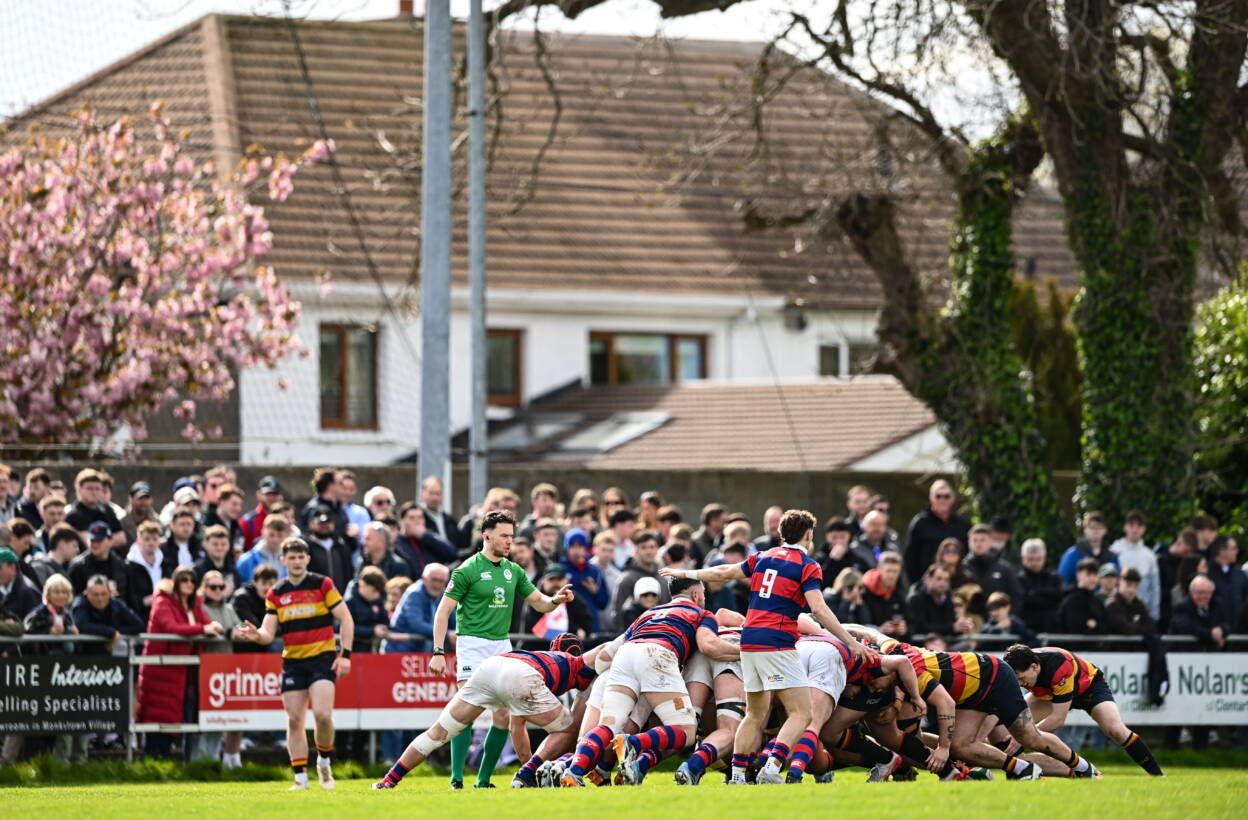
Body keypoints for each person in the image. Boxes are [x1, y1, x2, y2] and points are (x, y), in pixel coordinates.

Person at [662, 509, 870, 785]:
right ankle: (771, 769)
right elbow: (818, 608)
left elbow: (723, 572)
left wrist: (685, 572)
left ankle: (737, 776)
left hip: (749, 642)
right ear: (808, 535)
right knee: (802, 713)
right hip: (777, 642)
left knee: (755, 713)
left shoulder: (763, 557)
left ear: (782, 534)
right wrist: (851, 641)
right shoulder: (807, 565)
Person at [426, 510, 576, 789]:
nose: (510, 541)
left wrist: (556, 599)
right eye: (504, 535)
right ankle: (456, 779)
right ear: (487, 536)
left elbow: (539, 602)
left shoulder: (513, 571)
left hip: (501, 646)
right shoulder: (467, 569)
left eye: (511, 535)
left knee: (503, 716)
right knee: (466, 712)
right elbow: (443, 611)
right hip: (471, 645)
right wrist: (438, 651)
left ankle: (483, 780)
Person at [561, 578, 738, 787]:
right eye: (704, 596)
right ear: (696, 595)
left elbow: (608, 652)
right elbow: (708, 645)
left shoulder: (648, 613)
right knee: (686, 732)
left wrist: (581, 670)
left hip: (625, 655)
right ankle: (633, 743)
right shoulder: (702, 614)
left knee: (609, 724)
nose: (704, 600)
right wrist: (745, 651)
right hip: (658, 653)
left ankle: (574, 772)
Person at [375, 640, 606, 790]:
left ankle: (389, 780)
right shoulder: (578, 664)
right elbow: (519, 729)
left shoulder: (543, 655)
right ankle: (527, 773)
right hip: (520, 676)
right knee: (567, 728)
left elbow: (518, 728)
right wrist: (529, 769)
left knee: (438, 733)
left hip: (491, 667)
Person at [236, 538, 355, 790]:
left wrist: (345, 655)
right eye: (292, 557)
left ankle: (323, 760)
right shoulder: (276, 593)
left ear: (307, 559)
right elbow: (268, 633)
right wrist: (256, 635)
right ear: (283, 561)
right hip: (293, 662)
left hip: (322, 658)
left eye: (301, 557)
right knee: (294, 720)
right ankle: (300, 778)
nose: (297, 561)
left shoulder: (322, 584)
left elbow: (346, 618)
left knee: (323, 716)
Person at [1004, 644, 1163, 775]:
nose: (1019, 683)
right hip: (1049, 693)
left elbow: (1058, 719)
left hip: (1089, 689)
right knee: (1010, 728)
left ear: (1034, 667)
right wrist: (1020, 733)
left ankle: (1158, 775)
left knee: (1115, 729)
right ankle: (1071, 771)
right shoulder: (1023, 665)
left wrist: (1025, 736)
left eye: (1021, 678)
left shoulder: (1058, 665)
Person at [137, 566, 225, 759]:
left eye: (192, 580)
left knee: (181, 715)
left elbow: (206, 623)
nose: (189, 583)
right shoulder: (162, 601)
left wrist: (214, 626)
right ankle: (154, 761)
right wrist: (204, 628)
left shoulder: (194, 604)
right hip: (162, 669)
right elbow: (172, 627)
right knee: (158, 717)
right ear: (176, 582)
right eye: (184, 579)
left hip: (185, 670)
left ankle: (179, 761)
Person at [196, 570, 246, 766]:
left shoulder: (228, 608)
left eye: (221, 587)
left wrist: (236, 631)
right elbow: (207, 628)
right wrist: (227, 632)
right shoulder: (199, 607)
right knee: (208, 717)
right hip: (205, 669)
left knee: (222, 717)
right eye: (213, 587)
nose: (217, 590)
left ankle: (217, 760)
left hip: (225, 670)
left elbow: (240, 628)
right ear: (204, 588)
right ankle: (203, 760)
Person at [903, 480, 971, 578]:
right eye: (938, 496)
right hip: (927, 585)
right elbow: (910, 558)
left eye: (946, 496)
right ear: (931, 498)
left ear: (953, 498)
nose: (942, 500)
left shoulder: (963, 524)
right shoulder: (920, 523)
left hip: (957, 582)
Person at [70, 574, 144, 655]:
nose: (100, 598)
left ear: (110, 593)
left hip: (110, 655)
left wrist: (116, 632)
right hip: (84, 654)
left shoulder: (116, 604)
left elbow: (139, 625)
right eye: (95, 594)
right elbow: (82, 625)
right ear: (87, 594)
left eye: (103, 594)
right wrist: (111, 632)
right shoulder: (80, 603)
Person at [388, 563, 453, 653]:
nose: (437, 585)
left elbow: (454, 621)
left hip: (422, 655)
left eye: (441, 581)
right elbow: (417, 625)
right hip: (399, 653)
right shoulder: (415, 593)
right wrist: (448, 635)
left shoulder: (443, 595)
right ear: (424, 579)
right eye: (434, 580)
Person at [1109, 510, 1161, 621]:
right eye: (1131, 525)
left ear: (1144, 529)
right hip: (1118, 609)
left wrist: (1154, 615)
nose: (1135, 529)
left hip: (1142, 611)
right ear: (1125, 527)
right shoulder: (1114, 550)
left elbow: (1154, 587)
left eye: (1139, 525)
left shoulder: (1150, 555)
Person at [612, 531, 669, 626]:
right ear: (636, 550)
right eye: (644, 547)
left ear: (657, 549)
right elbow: (619, 616)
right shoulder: (626, 580)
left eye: (652, 547)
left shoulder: (663, 578)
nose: (648, 551)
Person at [525, 565, 593, 640]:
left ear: (566, 580)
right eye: (551, 580)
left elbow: (587, 625)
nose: (555, 583)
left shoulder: (574, 599)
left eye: (559, 579)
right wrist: (574, 630)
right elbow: (531, 624)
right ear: (543, 581)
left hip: (566, 649)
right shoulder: (536, 598)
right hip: (538, 647)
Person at [65, 469, 125, 553]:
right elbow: (89, 543)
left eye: (97, 489)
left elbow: (122, 538)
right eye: (89, 488)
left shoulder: (107, 510)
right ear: (79, 489)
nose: (94, 492)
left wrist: (101, 541)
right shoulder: (74, 514)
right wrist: (110, 539)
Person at [125, 520, 173, 622]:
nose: (151, 542)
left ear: (159, 542)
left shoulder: (166, 565)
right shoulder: (127, 567)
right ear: (138, 541)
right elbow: (126, 598)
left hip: (164, 618)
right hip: (138, 620)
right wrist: (143, 601)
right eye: (146, 539)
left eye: (154, 539)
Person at [963, 523, 1024, 603]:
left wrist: (1006, 615)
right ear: (969, 542)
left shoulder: (1004, 568)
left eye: (982, 540)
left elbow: (1016, 596)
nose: (978, 544)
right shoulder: (961, 568)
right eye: (975, 540)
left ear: (990, 542)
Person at [562, 529, 609, 632]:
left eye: (580, 546)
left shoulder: (594, 571)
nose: (576, 550)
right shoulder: (560, 569)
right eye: (572, 546)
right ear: (567, 548)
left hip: (591, 627)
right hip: (567, 627)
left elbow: (603, 603)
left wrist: (595, 591)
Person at [393, 502, 456, 579]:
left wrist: (426, 536)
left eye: (420, 517)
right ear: (401, 521)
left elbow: (451, 553)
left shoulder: (429, 537)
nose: (417, 521)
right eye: (411, 518)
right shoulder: (397, 542)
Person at [67, 521, 129, 598]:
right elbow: (72, 598)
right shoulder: (78, 567)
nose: (95, 544)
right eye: (92, 540)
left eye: (99, 541)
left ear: (110, 541)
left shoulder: (122, 566)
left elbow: (130, 599)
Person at [1169, 575, 1230, 650]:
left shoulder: (1218, 605)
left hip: (1212, 655)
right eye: (1200, 592)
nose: (1203, 596)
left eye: (1207, 593)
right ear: (1191, 592)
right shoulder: (1181, 607)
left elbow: (1227, 624)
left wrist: (1221, 630)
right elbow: (1187, 628)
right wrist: (1211, 634)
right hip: (1185, 654)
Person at [1015, 538, 1063, 634]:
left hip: (1052, 631)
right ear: (1022, 558)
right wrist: (1047, 595)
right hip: (1026, 633)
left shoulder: (1055, 578)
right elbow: (1023, 600)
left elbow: (1059, 596)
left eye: (1038, 559)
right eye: (1030, 559)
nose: (1034, 563)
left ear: (1044, 558)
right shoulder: (1017, 579)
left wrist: (1034, 594)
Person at [303, 505, 354, 593]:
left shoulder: (341, 546)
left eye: (328, 522)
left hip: (340, 597)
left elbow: (348, 573)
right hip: (315, 598)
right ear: (311, 524)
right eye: (320, 523)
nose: (324, 526)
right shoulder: (305, 547)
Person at [1057, 512, 1117, 585]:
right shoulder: (1072, 554)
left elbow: (1118, 583)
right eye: (1092, 527)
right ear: (1085, 529)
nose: (1095, 531)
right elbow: (1062, 582)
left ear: (1105, 530)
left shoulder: (1112, 557)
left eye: (1099, 527)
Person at [230, 564, 279, 649]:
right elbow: (253, 626)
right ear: (255, 582)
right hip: (243, 649)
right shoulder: (241, 598)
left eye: (271, 584)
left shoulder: (277, 599)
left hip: (263, 645)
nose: (267, 587)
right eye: (264, 583)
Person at [345, 566, 390, 652]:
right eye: (373, 591)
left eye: (378, 592)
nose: (376, 595)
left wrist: (383, 628)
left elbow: (385, 621)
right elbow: (344, 627)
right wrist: (372, 630)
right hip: (353, 651)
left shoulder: (378, 600)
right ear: (362, 585)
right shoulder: (349, 601)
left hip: (372, 651)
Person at [1058, 558, 1109, 635]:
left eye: (1095, 574)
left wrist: (1095, 626)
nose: (1092, 579)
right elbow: (1074, 628)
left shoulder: (1097, 601)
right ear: (1078, 574)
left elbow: (1106, 627)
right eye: (1088, 574)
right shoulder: (1071, 600)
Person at [862, 552, 908, 636]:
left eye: (895, 571)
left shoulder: (900, 591)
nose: (891, 575)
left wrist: (905, 629)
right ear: (879, 569)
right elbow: (860, 622)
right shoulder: (864, 591)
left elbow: (909, 619)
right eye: (888, 571)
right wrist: (879, 629)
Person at [237, 515, 291, 583]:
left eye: (279, 536)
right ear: (263, 532)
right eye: (271, 535)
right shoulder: (246, 560)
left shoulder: (291, 560)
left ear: (286, 535)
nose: (275, 540)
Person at [906, 563, 955, 636]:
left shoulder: (948, 599)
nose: (943, 583)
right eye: (939, 579)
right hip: (922, 645)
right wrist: (951, 628)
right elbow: (919, 628)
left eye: (946, 580)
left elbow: (950, 625)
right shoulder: (916, 599)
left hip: (946, 643)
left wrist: (960, 627)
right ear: (928, 579)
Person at [1207, 536, 1246, 626]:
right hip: (1214, 630)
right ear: (1222, 550)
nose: (1237, 552)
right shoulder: (1207, 572)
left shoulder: (1240, 573)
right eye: (1233, 548)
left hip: (1238, 629)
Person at [238, 475, 283, 551]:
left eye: (275, 494)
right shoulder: (247, 522)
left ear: (281, 496)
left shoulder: (286, 519)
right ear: (258, 494)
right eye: (268, 494)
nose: (272, 498)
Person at [1106, 568, 1157, 634]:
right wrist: (1139, 626)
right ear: (1120, 583)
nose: (1132, 590)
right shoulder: (1113, 603)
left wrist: (1134, 626)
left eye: (1136, 586)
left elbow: (1151, 627)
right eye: (1128, 585)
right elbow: (1125, 629)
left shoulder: (1139, 604)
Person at [419, 475, 463, 549]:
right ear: (422, 494)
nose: (435, 498)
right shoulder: (419, 520)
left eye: (438, 493)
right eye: (431, 493)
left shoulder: (450, 520)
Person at [30, 524, 81, 588]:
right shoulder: (39, 567)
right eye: (74, 545)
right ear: (62, 543)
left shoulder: (65, 569)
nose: (78, 550)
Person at [194, 524, 242, 589]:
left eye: (223, 544)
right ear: (205, 544)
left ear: (229, 546)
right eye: (215, 544)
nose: (219, 548)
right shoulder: (197, 571)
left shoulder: (234, 571)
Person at [0, 546, 40, 619]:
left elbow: (35, 625)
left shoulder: (28, 591)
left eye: (0, 568)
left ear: (12, 567)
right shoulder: (3, 589)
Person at [119, 481, 159, 547]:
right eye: (140, 498)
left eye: (146, 498)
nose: (143, 502)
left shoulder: (157, 522)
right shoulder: (121, 522)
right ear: (130, 499)